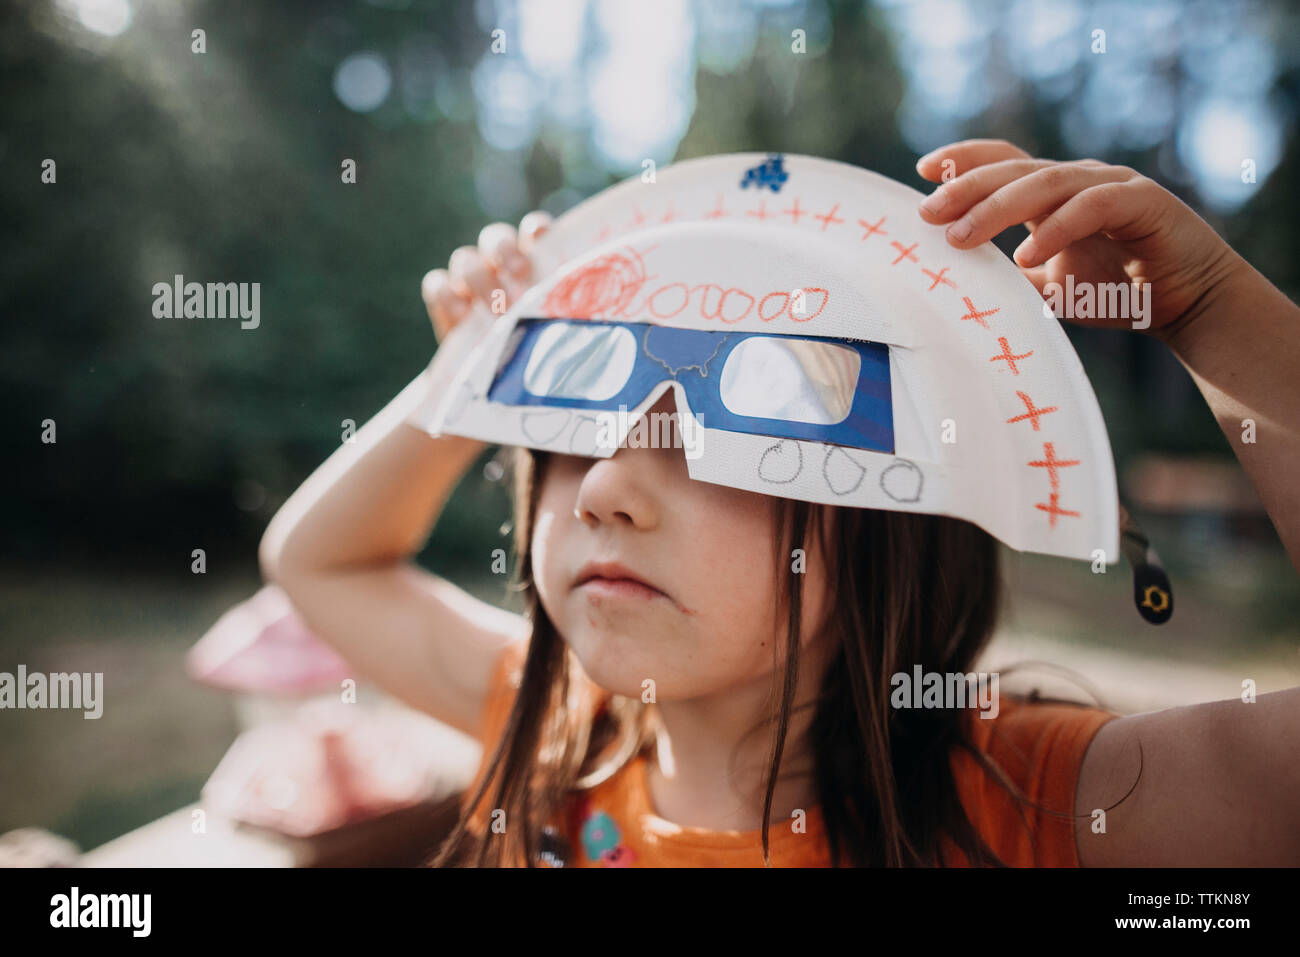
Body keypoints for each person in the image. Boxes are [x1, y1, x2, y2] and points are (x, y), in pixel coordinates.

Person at [258, 139, 1300, 867]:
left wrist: (1211, 312)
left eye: (730, 438)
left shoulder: (1038, 802)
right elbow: (317, 562)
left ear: (898, 512)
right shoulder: (571, 740)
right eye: (576, 433)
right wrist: (475, 365)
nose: (610, 490)